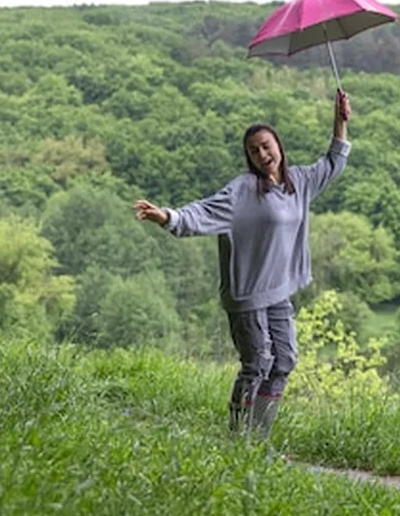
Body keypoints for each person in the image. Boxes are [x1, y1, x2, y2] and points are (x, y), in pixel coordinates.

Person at [133, 90, 352, 439]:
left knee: (283, 362)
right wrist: (166, 217)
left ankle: (258, 440)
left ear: (278, 145)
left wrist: (340, 120)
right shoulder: (244, 190)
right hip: (247, 294)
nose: (263, 154)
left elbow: (333, 162)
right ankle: (238, 441)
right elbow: (201, 212)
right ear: (249, 158)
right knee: (257, 364)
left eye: (266, 145)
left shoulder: (300, 182)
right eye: (254, 150)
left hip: (278, 291)